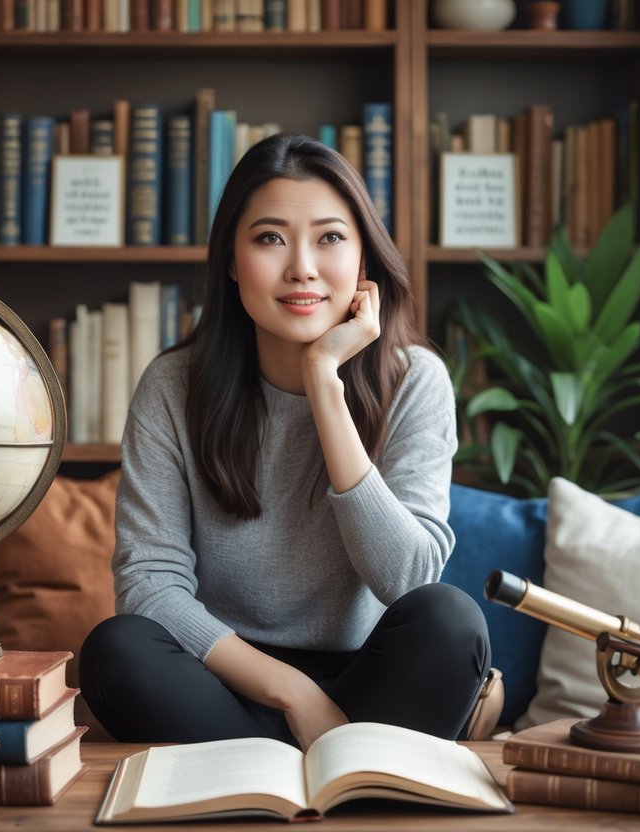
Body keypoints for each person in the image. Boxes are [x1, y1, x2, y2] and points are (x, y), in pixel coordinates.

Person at [79, 133, 489, 751]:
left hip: (371, 678)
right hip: (221, 677)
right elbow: (149, 586)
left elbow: (409, 579)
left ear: (364, 262)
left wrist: (324, 384)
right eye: (270, 238)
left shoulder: (414, 380)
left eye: (329, 237)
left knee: (450, 621)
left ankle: (257, 764)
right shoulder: (172, 386)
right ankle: (327, 766)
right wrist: (293, 692)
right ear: (230, 260)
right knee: (116, 648)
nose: (302, 266)